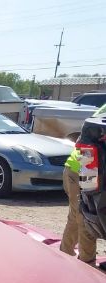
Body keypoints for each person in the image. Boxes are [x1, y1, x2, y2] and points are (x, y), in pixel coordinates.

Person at [60, 102, 106, 264]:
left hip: (94, 165)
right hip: (84, 166)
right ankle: (84, 263)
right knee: (85, 213)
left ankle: (68, 255)